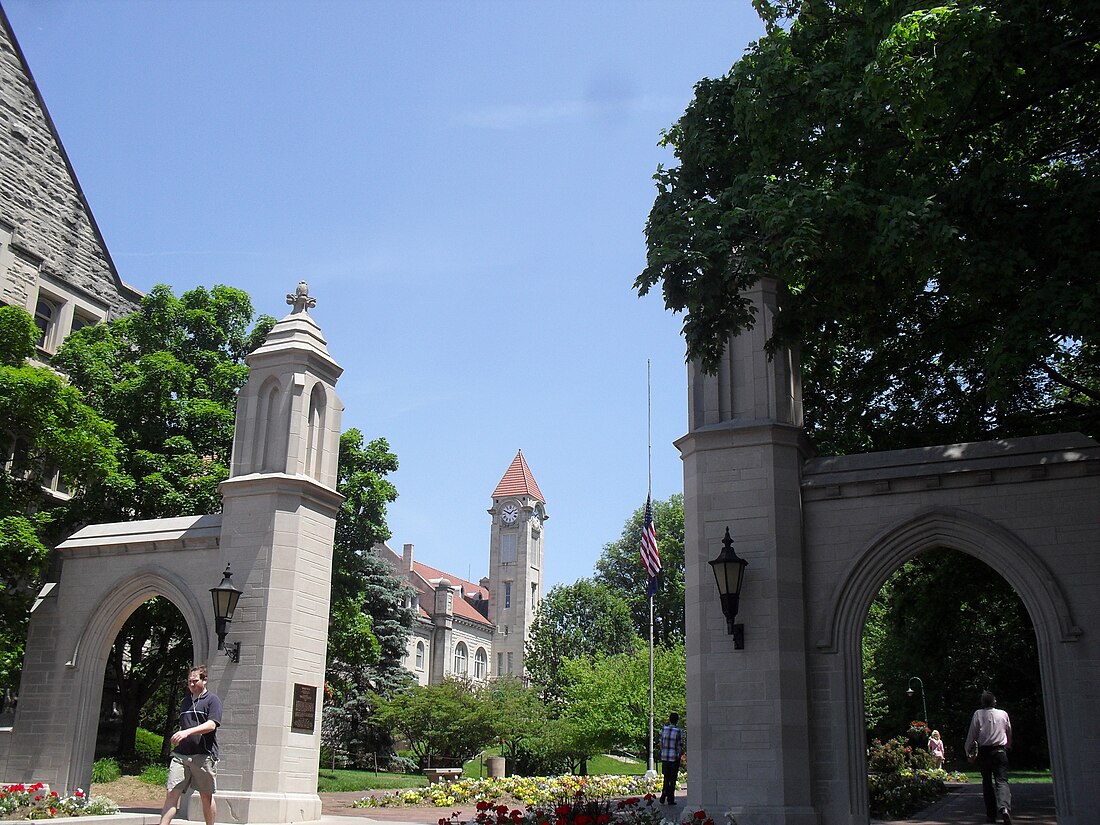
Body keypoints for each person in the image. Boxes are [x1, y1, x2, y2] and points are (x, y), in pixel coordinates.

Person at [160, 665, 223, 825]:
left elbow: (211, 725)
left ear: (205, 680)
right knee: (172, 793)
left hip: (203, 754)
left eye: (195, 681)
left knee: (205, 795)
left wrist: (187, 732)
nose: (191, 684)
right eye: (189, 682)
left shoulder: (212, 700)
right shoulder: (185, 702)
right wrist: (181, 734)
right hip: (181, 755)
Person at [964, 690, 1012, 825]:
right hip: (1000, 751)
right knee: (1002, 781)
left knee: (987, 782)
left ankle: (991, 815)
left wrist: (968, 751)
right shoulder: (1003, 714)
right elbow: (1008, 730)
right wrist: (1008, 745)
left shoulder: (978, 714)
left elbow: (972, 734)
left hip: (985, 752)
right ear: (994, 701)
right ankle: (1004, 808)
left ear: (982, 702)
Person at [658, 712, 684, 805]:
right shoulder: (678, 731)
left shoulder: (664, 729)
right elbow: (680, 745)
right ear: (677, 720)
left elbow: (661, 743)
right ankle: (670, 798)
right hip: (674, 757)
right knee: (672, 778)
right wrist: (680, 754)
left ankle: (664, 791)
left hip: (665, 756)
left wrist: (663, 751)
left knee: (666, 777)